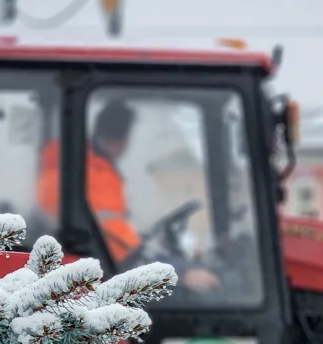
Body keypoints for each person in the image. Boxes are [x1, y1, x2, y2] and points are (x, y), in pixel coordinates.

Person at [37, 99, 220, 293]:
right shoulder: (91, 174)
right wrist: (180, 272)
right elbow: (121, 249)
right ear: (122, 139)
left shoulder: (72, 168)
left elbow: (113, 238)